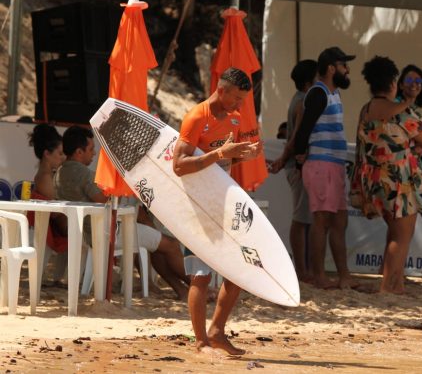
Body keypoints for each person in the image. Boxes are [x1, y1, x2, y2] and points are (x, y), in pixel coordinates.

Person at [172, 67, 262, 355]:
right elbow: (179, 165)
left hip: (223, 202)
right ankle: (200, 341)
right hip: (196, 204)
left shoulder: (234, 118)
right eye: (236, 98)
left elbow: (221, 167)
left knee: (238, 271)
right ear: (221, 89)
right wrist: (221, 154)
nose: (239, 106)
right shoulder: (197, 116)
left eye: (243, 100)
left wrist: (242, 155)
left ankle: (217, 331)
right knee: (201, 275)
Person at [54, 126, 188, 300]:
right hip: (108, 233)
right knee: (170, 244)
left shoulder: (59, 173)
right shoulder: (82, 173)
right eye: (91, 149)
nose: (94, 154)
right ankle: (197, 286)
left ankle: (182, 290)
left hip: (85, 234)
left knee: (156, 243)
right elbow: (104, 200)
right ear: (79, 152)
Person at [356, 56, 422, 293]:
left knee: (394, 232)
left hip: (374, 177)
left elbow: (361, 144)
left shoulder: (366, 109)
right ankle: (388, 287)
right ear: (393, 83)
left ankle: (395, 283)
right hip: (399, 179)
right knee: (402, 236)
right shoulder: (400, 112)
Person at [292, 47, 358, 290]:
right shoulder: (319, 93)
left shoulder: (334, 92)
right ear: (331, 68)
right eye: (343, 65)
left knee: (340, 222)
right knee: (321, 222)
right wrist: (300, 157)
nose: (347, 70)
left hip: (334, 165)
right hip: (321, 164)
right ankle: (319, 275)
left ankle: (344, 276)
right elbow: (304, 128)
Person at [269, 59, 318, 282]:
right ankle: (301, 269)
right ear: (311, 79)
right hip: (297, 165)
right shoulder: (303, 102)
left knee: (305, 219)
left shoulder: (298, 99)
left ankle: (304, 268)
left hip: (295, 164)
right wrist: (285, 159)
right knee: (301, 218)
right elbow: (296, 136)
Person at [28, 123, 68, 284]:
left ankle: (61, 277)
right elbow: (56, 211)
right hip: (53, 228)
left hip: (54, 225)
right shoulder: (44, 177)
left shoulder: (46, 175)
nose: (63, 157)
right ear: (47, 154)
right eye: (59, 153)